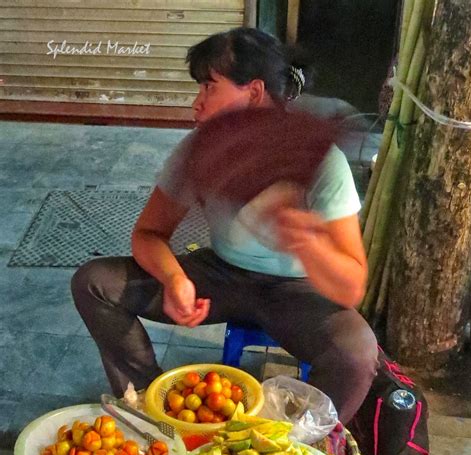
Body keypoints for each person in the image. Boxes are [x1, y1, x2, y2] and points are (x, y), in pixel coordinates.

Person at [71, 27, 378, 424]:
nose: (196, 105)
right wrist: (173, 278)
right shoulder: (197, 152)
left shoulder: (321, 164)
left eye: (209, 87)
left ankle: (294, 451)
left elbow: (351, 286)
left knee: (356, 352)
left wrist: (304, 237)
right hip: (222, 275)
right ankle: (155, 414)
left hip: (295, 290)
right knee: (95, 282)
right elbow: (148, 234)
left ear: (253, 92)